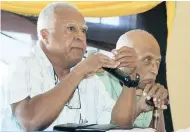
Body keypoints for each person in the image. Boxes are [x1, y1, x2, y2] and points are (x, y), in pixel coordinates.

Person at [2, 2, 138, 131]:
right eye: (71, 28)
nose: (80, 36)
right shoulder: (22, 66)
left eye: (83, 31)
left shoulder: (91, 80)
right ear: (45, 36)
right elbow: (30, 121)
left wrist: (130, 81)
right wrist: (80, 72)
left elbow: (119, 127)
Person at [97, 29, 168, 132]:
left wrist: (158, 107)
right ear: (122, 58)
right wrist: (138, 108)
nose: (155, 71)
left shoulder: (145, 91)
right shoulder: (99, 83)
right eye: (147, 60)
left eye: (158, 62)